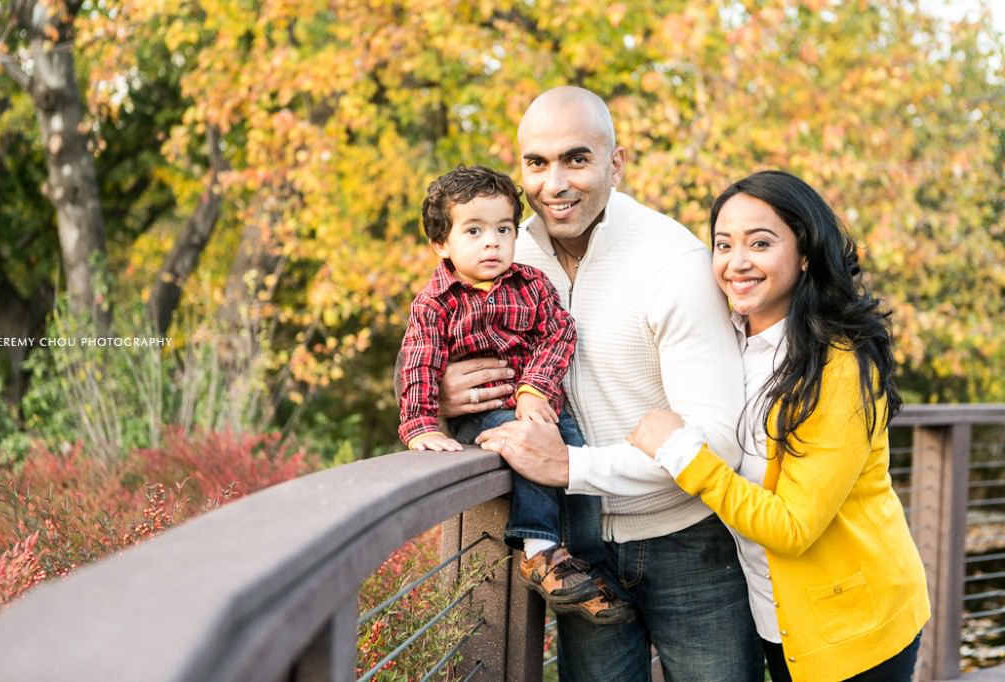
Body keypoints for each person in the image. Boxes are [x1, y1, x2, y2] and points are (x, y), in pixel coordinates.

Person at [454, 87, 760, 680]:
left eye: (576, 159)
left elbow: (718, 441)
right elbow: (431, 329)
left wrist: (571, 467)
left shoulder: (672, 260)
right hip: (580, 552)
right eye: (536, 164)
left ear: (614, 163)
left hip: (690, 540)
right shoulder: (502, 250)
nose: (554, 184)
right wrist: (437, 393)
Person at [624, 170, 930, 681]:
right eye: (723, 244)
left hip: (855, 627)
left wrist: (680, 454)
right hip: (777, 619)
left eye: (760, 243)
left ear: (804, 253)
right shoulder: (724, 341)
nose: (736, 262)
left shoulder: (838, 366)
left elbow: (792, 527)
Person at [397, 164, 634, 625]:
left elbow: (560, 334)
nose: (492, 241)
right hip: (485, 415)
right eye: (474, 230)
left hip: (536, 403)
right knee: (524, 444)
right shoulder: (435, 303)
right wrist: (421, 424)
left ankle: (580, 558)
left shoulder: (530, 285)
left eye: (503, 228)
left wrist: (534, 389)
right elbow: (418, 362)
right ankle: (538, 547)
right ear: (441, 244)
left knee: (574, 450)